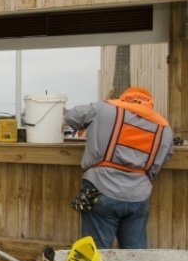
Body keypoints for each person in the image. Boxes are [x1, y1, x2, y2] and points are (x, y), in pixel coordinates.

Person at [63, 87, 174, 250]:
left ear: (123, 99)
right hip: (139, 195)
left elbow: (71, 117)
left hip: (101, 188)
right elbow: (161, 160)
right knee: (135, 255)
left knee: (95, 254)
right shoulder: (164, 128)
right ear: (149, 104)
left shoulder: (104, 109)